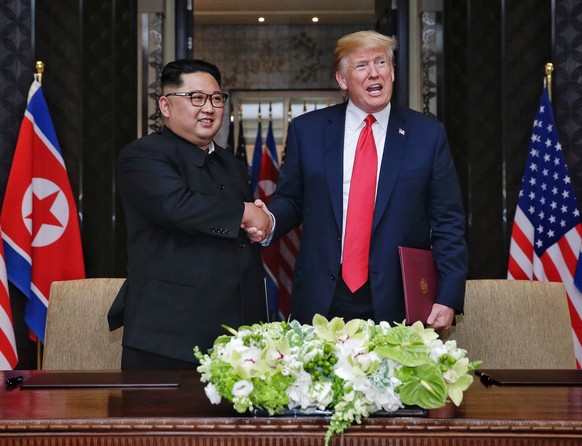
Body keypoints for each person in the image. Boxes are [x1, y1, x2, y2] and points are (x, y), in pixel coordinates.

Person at [258, 30, 468, 329]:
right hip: (322, 295)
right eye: (362, 66)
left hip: (399, 298)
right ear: (342, 80)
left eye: (381, 63)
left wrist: (448, 296)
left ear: (393, 72)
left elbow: (448, 221)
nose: (374, 73)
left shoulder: (428, 135)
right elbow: (292, 199)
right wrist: (268, 220)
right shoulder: (309, 131)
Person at [108, 59, 271, 369]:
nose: (208, 108)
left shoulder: (231, 164)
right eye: (196, 98)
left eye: (216, 98)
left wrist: (256, 224)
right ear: (166, 106)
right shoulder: (143, 154)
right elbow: (177, 206)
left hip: (238, 337)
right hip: (170, 336)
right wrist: (245, 213)